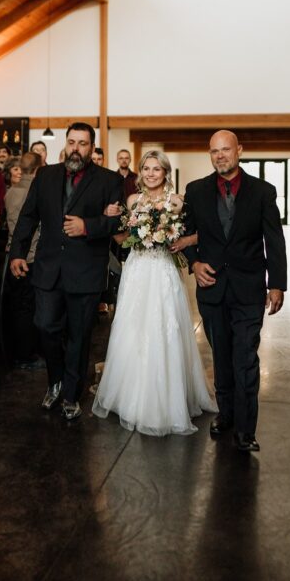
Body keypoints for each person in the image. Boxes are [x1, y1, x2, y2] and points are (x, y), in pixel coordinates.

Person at [93, 150, 216, 435]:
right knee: (132, 327)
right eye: (146, 169)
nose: (150, 174)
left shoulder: (176, 202)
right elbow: (122, 238)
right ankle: (130, 397)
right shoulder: (132, 201)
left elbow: (199, 232)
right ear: (140, 172)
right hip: (136, 269)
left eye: (156, 169)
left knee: (163, 328)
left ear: (165, 173)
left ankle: (166, 401)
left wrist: (178, 239)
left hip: (162, 270)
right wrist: (112, 221)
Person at [10, 122, 123, 421]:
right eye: (71, 142)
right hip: (47, 267)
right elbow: (28, 215)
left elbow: (118, 224)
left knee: (79, 335)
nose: (76, 148)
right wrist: (17, 253)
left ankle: (71, 394)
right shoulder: (46, 175)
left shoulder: (109, 180)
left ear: (92, 147)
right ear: (65, 143)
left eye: (82, 143)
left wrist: (89, 226)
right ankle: (56, 380)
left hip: (85, 270)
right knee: (45, 325)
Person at [183, 130, 287, 454]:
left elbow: (275, 240)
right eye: (214, 151)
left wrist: (277, 284)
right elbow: (186, 234)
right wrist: (194, 263)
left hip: (248, 289)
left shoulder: (263, 191)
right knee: (222, 358)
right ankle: (225, 415)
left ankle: (246, 429)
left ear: (239, 150)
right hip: (211, 288)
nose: (220, 156)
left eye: (225, 150)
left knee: (245, 358)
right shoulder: (196, 191)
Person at [4, 151, 41, 367]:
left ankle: (18, 354)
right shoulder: (33, 191)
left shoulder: (11, 191)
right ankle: (25, 356)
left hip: (12, 253)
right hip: (31, 256)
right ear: (38, 168)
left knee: (17, 306)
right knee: (27, 308)